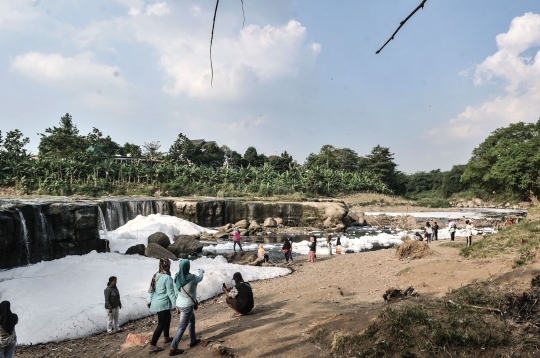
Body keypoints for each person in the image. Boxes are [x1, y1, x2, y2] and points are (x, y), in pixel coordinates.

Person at [169, 259, 204, 356]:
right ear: (187, 267)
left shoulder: (176, 277)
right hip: (187, 305)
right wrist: (201, 271)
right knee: (181, 327)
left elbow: (175, 292)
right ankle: (173, 348)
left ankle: (193, 340)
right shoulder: (192, 278)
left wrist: (176, 305)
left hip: (180, 304)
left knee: (191, 320)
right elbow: (200, 278)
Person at [148, 258, 177, 353]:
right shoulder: (167, 278)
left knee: (167, 317)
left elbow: (151, 291)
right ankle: (153, 344)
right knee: (161, 324)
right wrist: (177, 305)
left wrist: (150, 301)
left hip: (156, 302)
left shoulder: (155, 275)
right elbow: (171, 293)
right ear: (167, 266)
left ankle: (166, 337)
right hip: (163, 303)